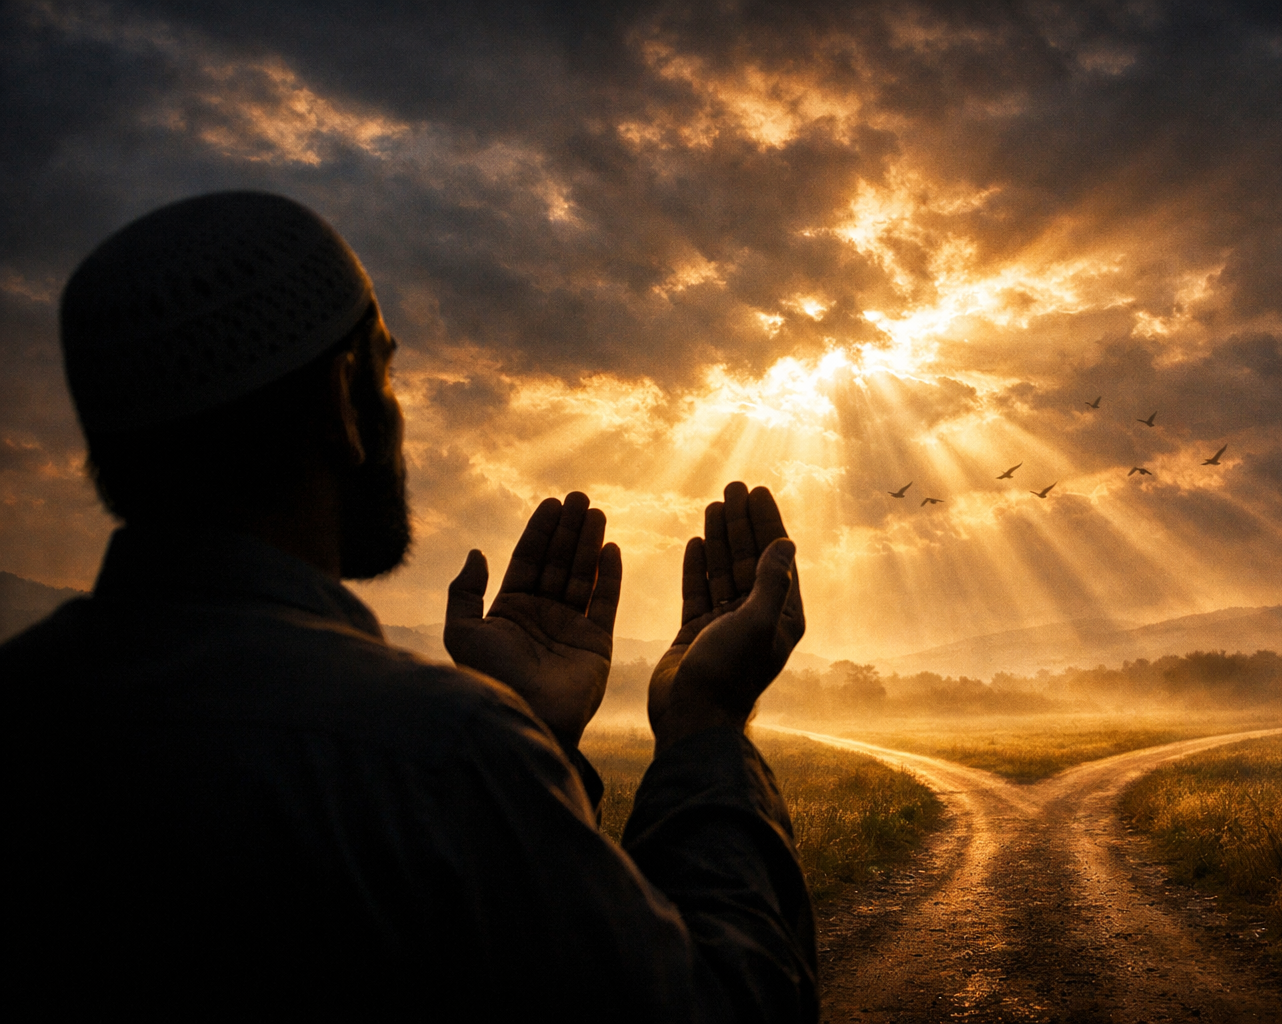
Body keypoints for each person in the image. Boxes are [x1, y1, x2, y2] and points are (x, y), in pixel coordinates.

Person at [2, 191, 817, 1019]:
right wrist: (705, 727)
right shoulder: (439, 757)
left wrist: (534, 733)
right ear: (342, 398)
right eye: (386, 372)